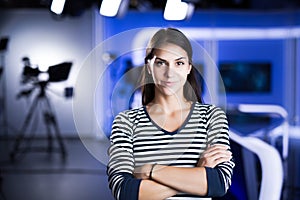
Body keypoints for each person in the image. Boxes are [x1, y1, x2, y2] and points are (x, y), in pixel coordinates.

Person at [107, 27, 235, 200]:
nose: (169, 73)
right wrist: (196, 175)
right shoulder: (126, 122)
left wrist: (150, 170)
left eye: (179, 63)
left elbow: (219, 183)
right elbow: (124, 191)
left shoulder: (211, 117)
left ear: (189, 68)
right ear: (149, 67)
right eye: (161, 63)